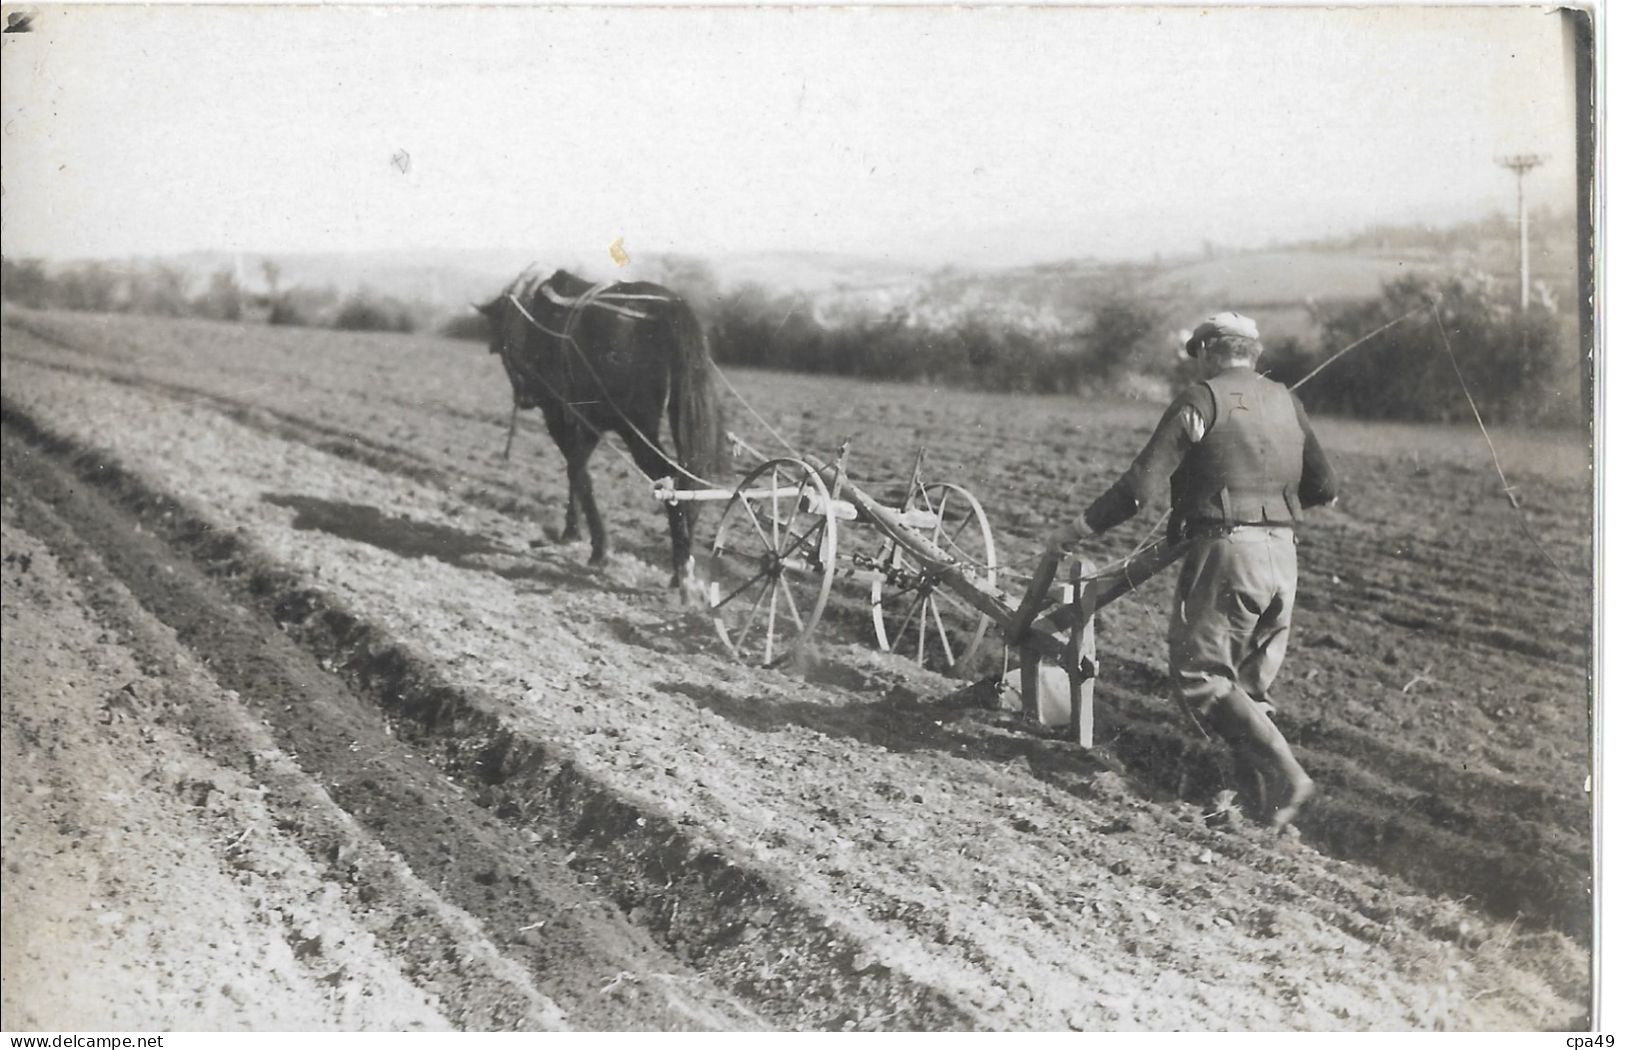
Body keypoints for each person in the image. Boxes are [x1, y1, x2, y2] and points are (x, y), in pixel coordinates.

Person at [1015, 312, 1337, 830]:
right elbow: (1324, 488)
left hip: (1230, 555)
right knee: (1247, 690)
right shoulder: (1288, 402)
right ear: (1253, 353)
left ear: (1209, 350)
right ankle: (1262, 815)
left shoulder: (1201, 399)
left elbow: (1138, 490)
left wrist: (1076, 527)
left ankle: (1288, 776)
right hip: (1284, 557)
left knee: (1202, 677)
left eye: (1199, 354)